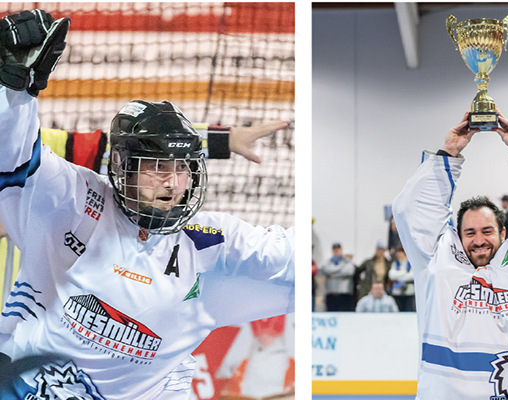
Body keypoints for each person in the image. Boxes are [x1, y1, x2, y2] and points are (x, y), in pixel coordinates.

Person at [0, 11, 294, 399]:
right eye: (157, 167)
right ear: (122, 167)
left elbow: (286, 255)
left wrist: (221, 140)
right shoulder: (75, 198)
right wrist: (13, 91)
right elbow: (16, 155)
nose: (173, 183)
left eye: (183, 169)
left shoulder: (210, 240)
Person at [392, 110, 508, 399]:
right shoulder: (437, 259)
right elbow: (411, 212)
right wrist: (449, 155)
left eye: (487, 231)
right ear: (457, 237)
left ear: (504, 233)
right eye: (469, 233)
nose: (479, 240)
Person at [321, 243, 355, 311]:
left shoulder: (347, 261)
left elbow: (349, 271)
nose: (336, 250)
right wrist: (341, 268)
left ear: (341, 250)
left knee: (345, 316)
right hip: (331, 294)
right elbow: (325, 269)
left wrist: (333, 275)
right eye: (334, 249)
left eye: (338, 249)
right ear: (332, 250)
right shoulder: (327, 261)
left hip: (345, 294)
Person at [388, 245, 415, 311]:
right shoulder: (395, 264)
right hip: (397, 291)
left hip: (409, 291)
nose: (399, 256)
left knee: (409, 309)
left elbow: (412, 276)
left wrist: (398, 277)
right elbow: (391, 275)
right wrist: (404, 272)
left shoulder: (411, 263)